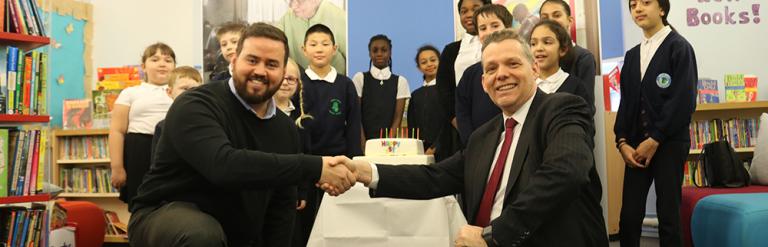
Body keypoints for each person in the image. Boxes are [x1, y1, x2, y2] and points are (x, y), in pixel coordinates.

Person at [333, 29, 608, 247]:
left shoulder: (562, 108)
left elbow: (566, 172)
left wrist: (495, 236)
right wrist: (366, 171)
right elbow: (435, 177)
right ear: (483, 82)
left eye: (512, 63)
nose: (501, 74)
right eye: (491, 69)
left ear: (534, 68)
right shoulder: (483, 136)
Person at [127, 23, 357, 247]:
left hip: (233, 226)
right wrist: (317, 167)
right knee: (202, 234)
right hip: (166, 215)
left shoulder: (285, 129)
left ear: (282, 72)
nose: (260, 71)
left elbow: (281, 209)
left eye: (272, 64)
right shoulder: (196, 104)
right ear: (234, 61)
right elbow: (223, 165)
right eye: (252, 60)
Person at [615, 1, 698, 246]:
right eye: (633, 5)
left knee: (668, 215)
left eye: (646, 2)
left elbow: (683, 100)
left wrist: (656, 138)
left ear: (662, 9)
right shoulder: (631, 56)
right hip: (635, 148)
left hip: (669, 143)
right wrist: (621, 142)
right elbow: (626, 103)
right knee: (629, 217)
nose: (638, 8)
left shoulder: (679, 47)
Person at [291, 23, 363, 246]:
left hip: (337, 164)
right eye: (313, 44)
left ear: (335, 48)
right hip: (305, 165)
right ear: (304, 49)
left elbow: (353, 127)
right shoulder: (297, 83)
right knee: (304, 224)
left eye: (325, 44)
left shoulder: (345, 84)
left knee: (338, 224)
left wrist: (354, 165)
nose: (319, 49)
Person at [109, 43, 176, 205]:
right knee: (140, 202)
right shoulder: (130, 93)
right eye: (155, 59)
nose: (162, 64)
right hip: (139, 151)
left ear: (174, 66)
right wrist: (117, 168)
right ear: (143, 66)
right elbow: (117, 131)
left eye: (168, 60)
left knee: (172, 201)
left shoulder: (181, 90)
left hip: (172, 149)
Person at [434, 0, 492, 161]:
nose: (469, 14)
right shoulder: (451, 50)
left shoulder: (501, 45)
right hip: (458, 126)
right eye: (463, 11)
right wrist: (459, 122)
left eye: (475, 8)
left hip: (495, 119)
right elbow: (443, 89)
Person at [455, 4, 512, 144]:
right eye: (483, 28)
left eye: (495, 25)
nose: (489, 32)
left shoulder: (521, 66)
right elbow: (462, 112)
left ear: (508, 29)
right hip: (479, 145)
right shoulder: (470, 74)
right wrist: (472, 143)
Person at [352, 34, 410, 140]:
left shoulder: (401, 81)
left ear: (390, 52)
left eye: (384, 50)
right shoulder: (360, 78)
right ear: (369, 53)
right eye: (375, 50)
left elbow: (398, 117)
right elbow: (356, 114)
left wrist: (388, 143)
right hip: (363, 140)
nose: (379, 54)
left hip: (388, 144)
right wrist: (362, 141)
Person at [539, 0, 597, 101]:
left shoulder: (583, 58)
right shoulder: (536, 58)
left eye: (556, 15)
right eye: (545, 18)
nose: (550, 21)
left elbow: (586, 106)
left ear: (569, 20)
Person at [529, 20, 593, 109]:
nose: (539, 48)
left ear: (563, 49)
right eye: (533, 44)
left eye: (547, 42)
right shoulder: (525, 85)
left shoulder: (576, 87)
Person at [277, 0, 347, 75]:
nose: (293, 6)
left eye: (298, 1)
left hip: (334, 83)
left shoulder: (340, 17)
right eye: (290, 1)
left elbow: (353, 58)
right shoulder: (287, 17)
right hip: (300, 83)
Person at [150, 66, 204, 160]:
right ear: (170, 92)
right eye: (184, 88)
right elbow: (157, 163)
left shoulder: (207, 123)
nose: (190, 93)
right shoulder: (162, 126)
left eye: (195, 89)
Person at [407, 45, 445, 154]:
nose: (429, 64)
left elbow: (448, 123)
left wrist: (435, 147)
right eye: (424, 62)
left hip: (443, 148)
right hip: (420, 151)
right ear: (419, 67)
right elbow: (412, 126)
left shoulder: (447, 91)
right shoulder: (415, 95)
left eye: (433, 60)